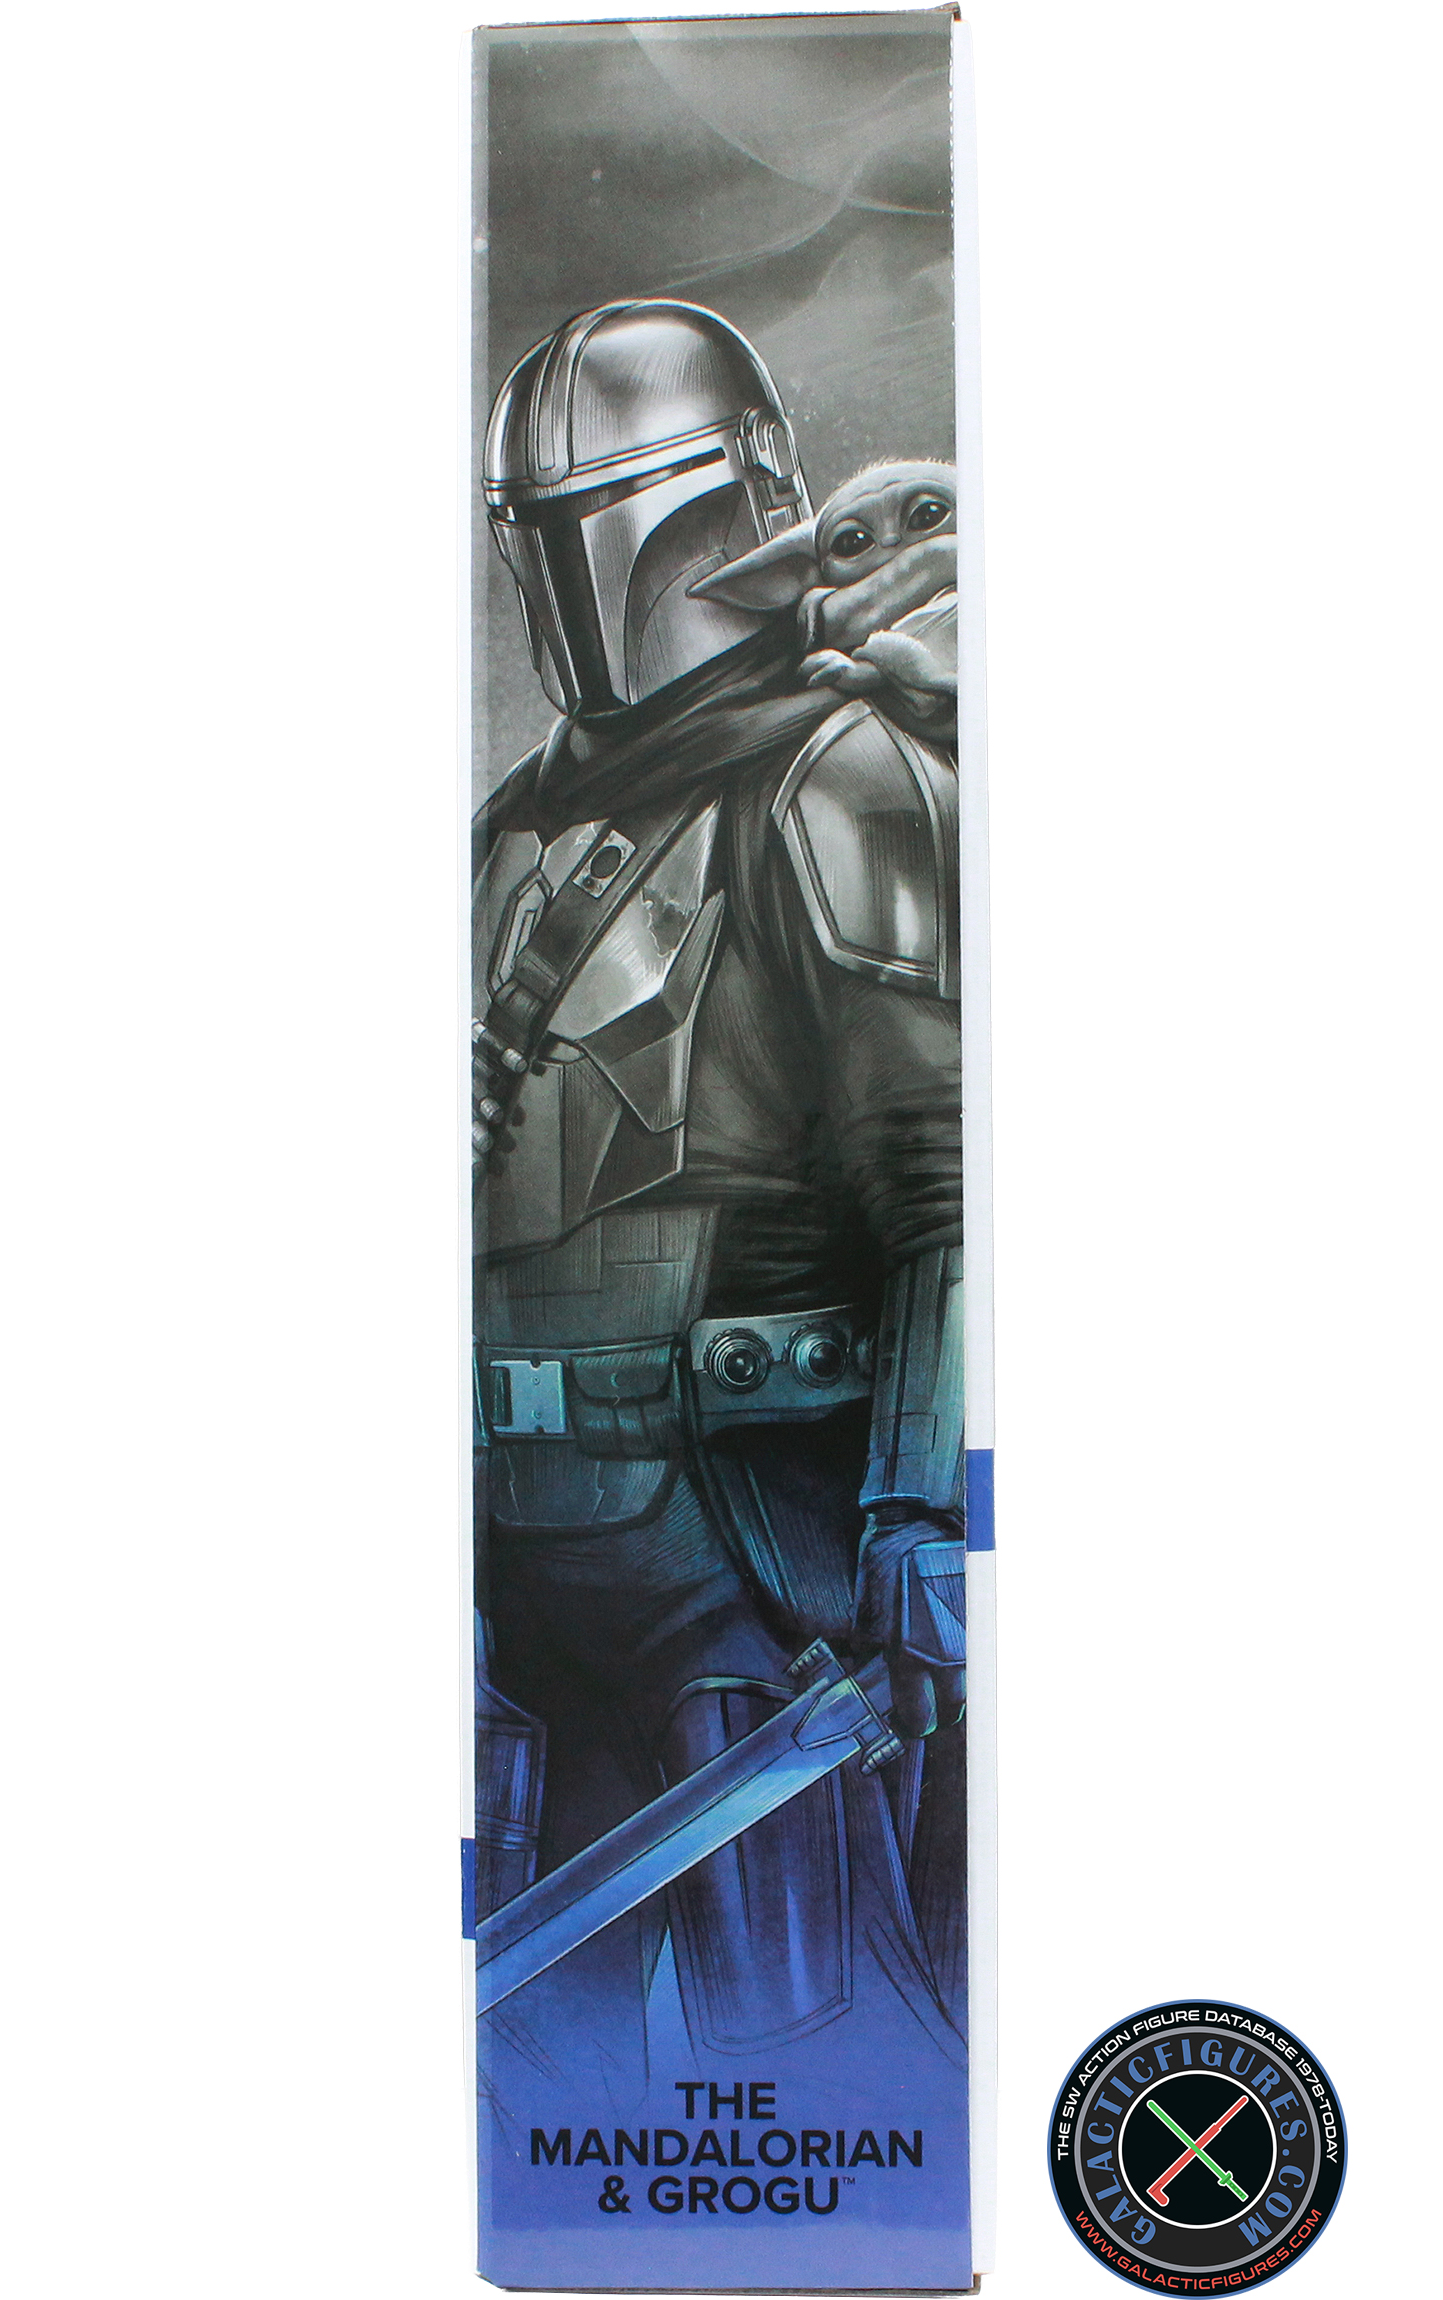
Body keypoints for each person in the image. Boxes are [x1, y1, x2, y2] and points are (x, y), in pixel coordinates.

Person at [470, 299, 966, 2108]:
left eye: (599, 523)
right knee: (542, 2077)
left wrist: (922, 1511)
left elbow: (944, 1185)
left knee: (821, 2063)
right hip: (523, 1576)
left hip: (756, 1572)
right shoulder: (512, 834)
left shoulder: (838, 775)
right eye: (546, 538)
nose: (583, 582)